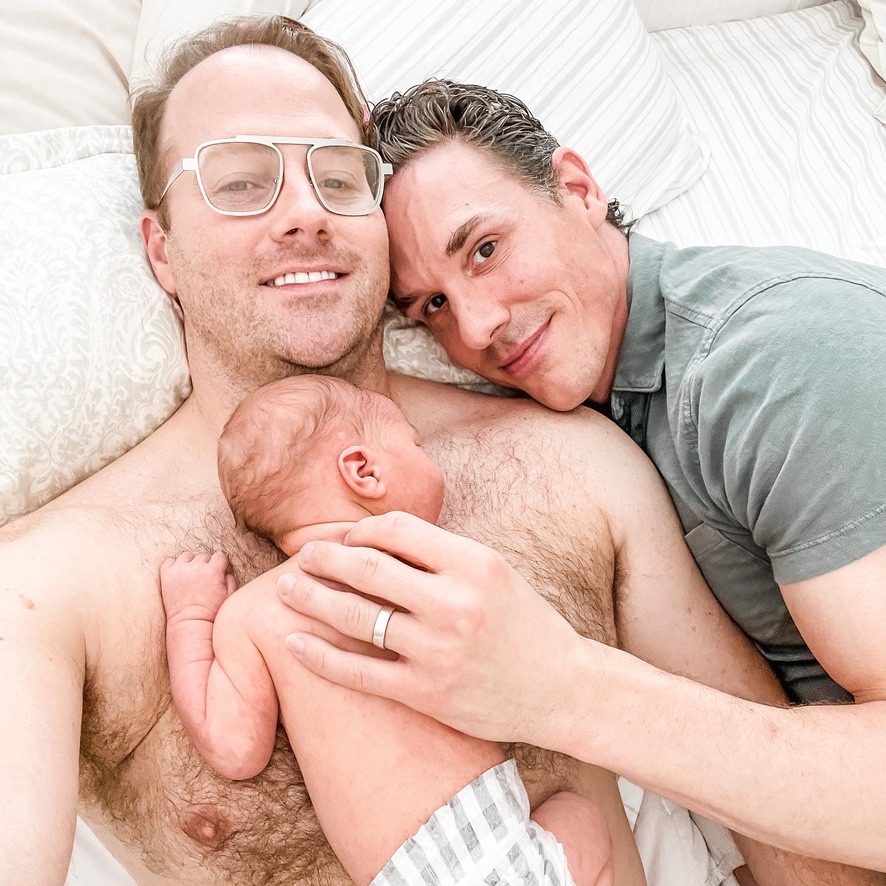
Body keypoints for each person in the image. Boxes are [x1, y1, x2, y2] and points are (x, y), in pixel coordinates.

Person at [0, 13, 860, 885]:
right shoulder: (48, 588)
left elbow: (795, 847)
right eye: (240, 181)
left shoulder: (572, 463)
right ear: (162, 251)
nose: (304, 213)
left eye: (338, 177)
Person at [275, 78, 886, 877]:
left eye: (486, 250)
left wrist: (559, 688)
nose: (477, 326)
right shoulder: (607, 409)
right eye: (430, 307)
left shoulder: (769, 366)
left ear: (579, 188)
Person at [160, 373, 615, 886]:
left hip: (406, 876)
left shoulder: (251, 615)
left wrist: (191, 616)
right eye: (415, 443)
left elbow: (233, 748)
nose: (429, 455)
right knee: (582, 820)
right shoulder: (422, 564)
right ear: (363, 471)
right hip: (502, 845)